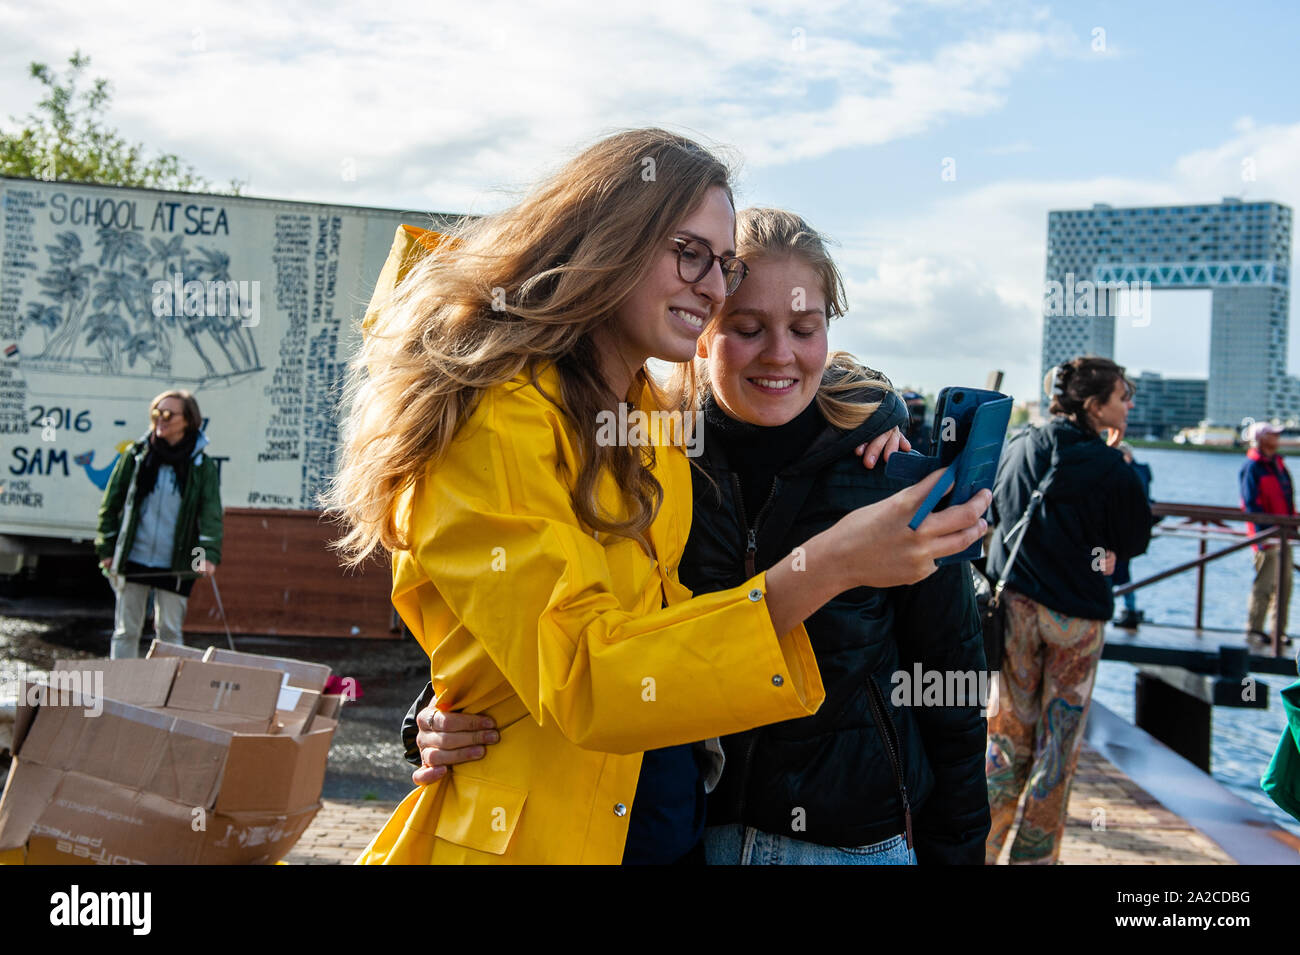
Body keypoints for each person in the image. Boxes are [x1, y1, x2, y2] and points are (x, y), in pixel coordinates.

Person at [325, 129, 990, 865]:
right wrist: (438, 707)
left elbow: (951, 691)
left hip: (710, 834)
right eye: (691, 254)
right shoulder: (509, 415)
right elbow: (569, 658)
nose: (710, 284)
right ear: (612, 237)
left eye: (723, 263)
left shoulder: (650, 419)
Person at [983, 357, 1152, 864]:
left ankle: (979, 851)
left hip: (1014, 609)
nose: (1129, 405)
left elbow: (996, 510)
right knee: (1058, 747)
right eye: (1122, 397)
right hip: (1075, 621)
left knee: (1007, 737)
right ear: (1095, 406)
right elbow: (1135, 539)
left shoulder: (1018, 446)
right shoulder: (1111, 467)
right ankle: (1033, 860)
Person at [95, 390, 222, 659]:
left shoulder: (201, 465)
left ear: (188, 420)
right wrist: (107, 549)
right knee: (126, 631)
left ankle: (165, 694)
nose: (159, 420)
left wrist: (204, 557)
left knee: (169, 632)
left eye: (167, 414)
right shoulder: (137, 456)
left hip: (175, 562)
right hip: (134, 556)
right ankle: (120, 691)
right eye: (156, 413)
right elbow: (112, 503)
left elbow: (208, 516)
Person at [1240, 421, 1295, 645]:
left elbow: (1288, 498)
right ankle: (1254, 629)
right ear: (1261, 438)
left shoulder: (1279, 465)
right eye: (1272, 434)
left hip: (1284, 535)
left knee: (1285, 586)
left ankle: (1277, 632)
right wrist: (1262, 535)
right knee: (1264, 584)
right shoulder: (1252, 466)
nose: (1277, 437)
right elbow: (1250, 503)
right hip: (1266, 536)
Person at [1110, 441, 1153, 629]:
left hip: (1109, 537)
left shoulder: (1124, 474)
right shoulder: (1139, 473)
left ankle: (1107, 607)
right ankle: (1129, 608)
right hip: (1123, 536)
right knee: (1120, 573)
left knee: (1103, 571)